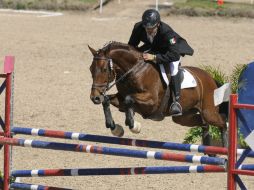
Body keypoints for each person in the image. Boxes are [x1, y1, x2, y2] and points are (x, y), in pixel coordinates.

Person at [128, 9, 194, 116]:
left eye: (151, 28)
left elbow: (174, 55)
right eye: (146, 28)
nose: (148, 30)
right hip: (154, 47)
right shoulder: (139, 27)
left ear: (158, 24)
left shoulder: (167, 32)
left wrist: (154, 57)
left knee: (174, 68)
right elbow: (131, 46)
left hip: (170, 51)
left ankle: (176, 102)